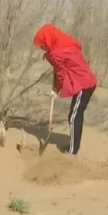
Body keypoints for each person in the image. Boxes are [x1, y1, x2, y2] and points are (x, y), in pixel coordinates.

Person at [33, 23, 97, 155]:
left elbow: (60, 72)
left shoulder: (57, 52)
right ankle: (73, 146)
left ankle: (72, 151)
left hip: (84, 85)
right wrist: (55, 90)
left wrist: (56, 89)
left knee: (74, 117)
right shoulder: (64, 45)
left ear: (47, 40)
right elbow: (59, 70)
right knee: (74, 115)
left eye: (42, 45)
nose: (41, 48)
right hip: (84, 83)